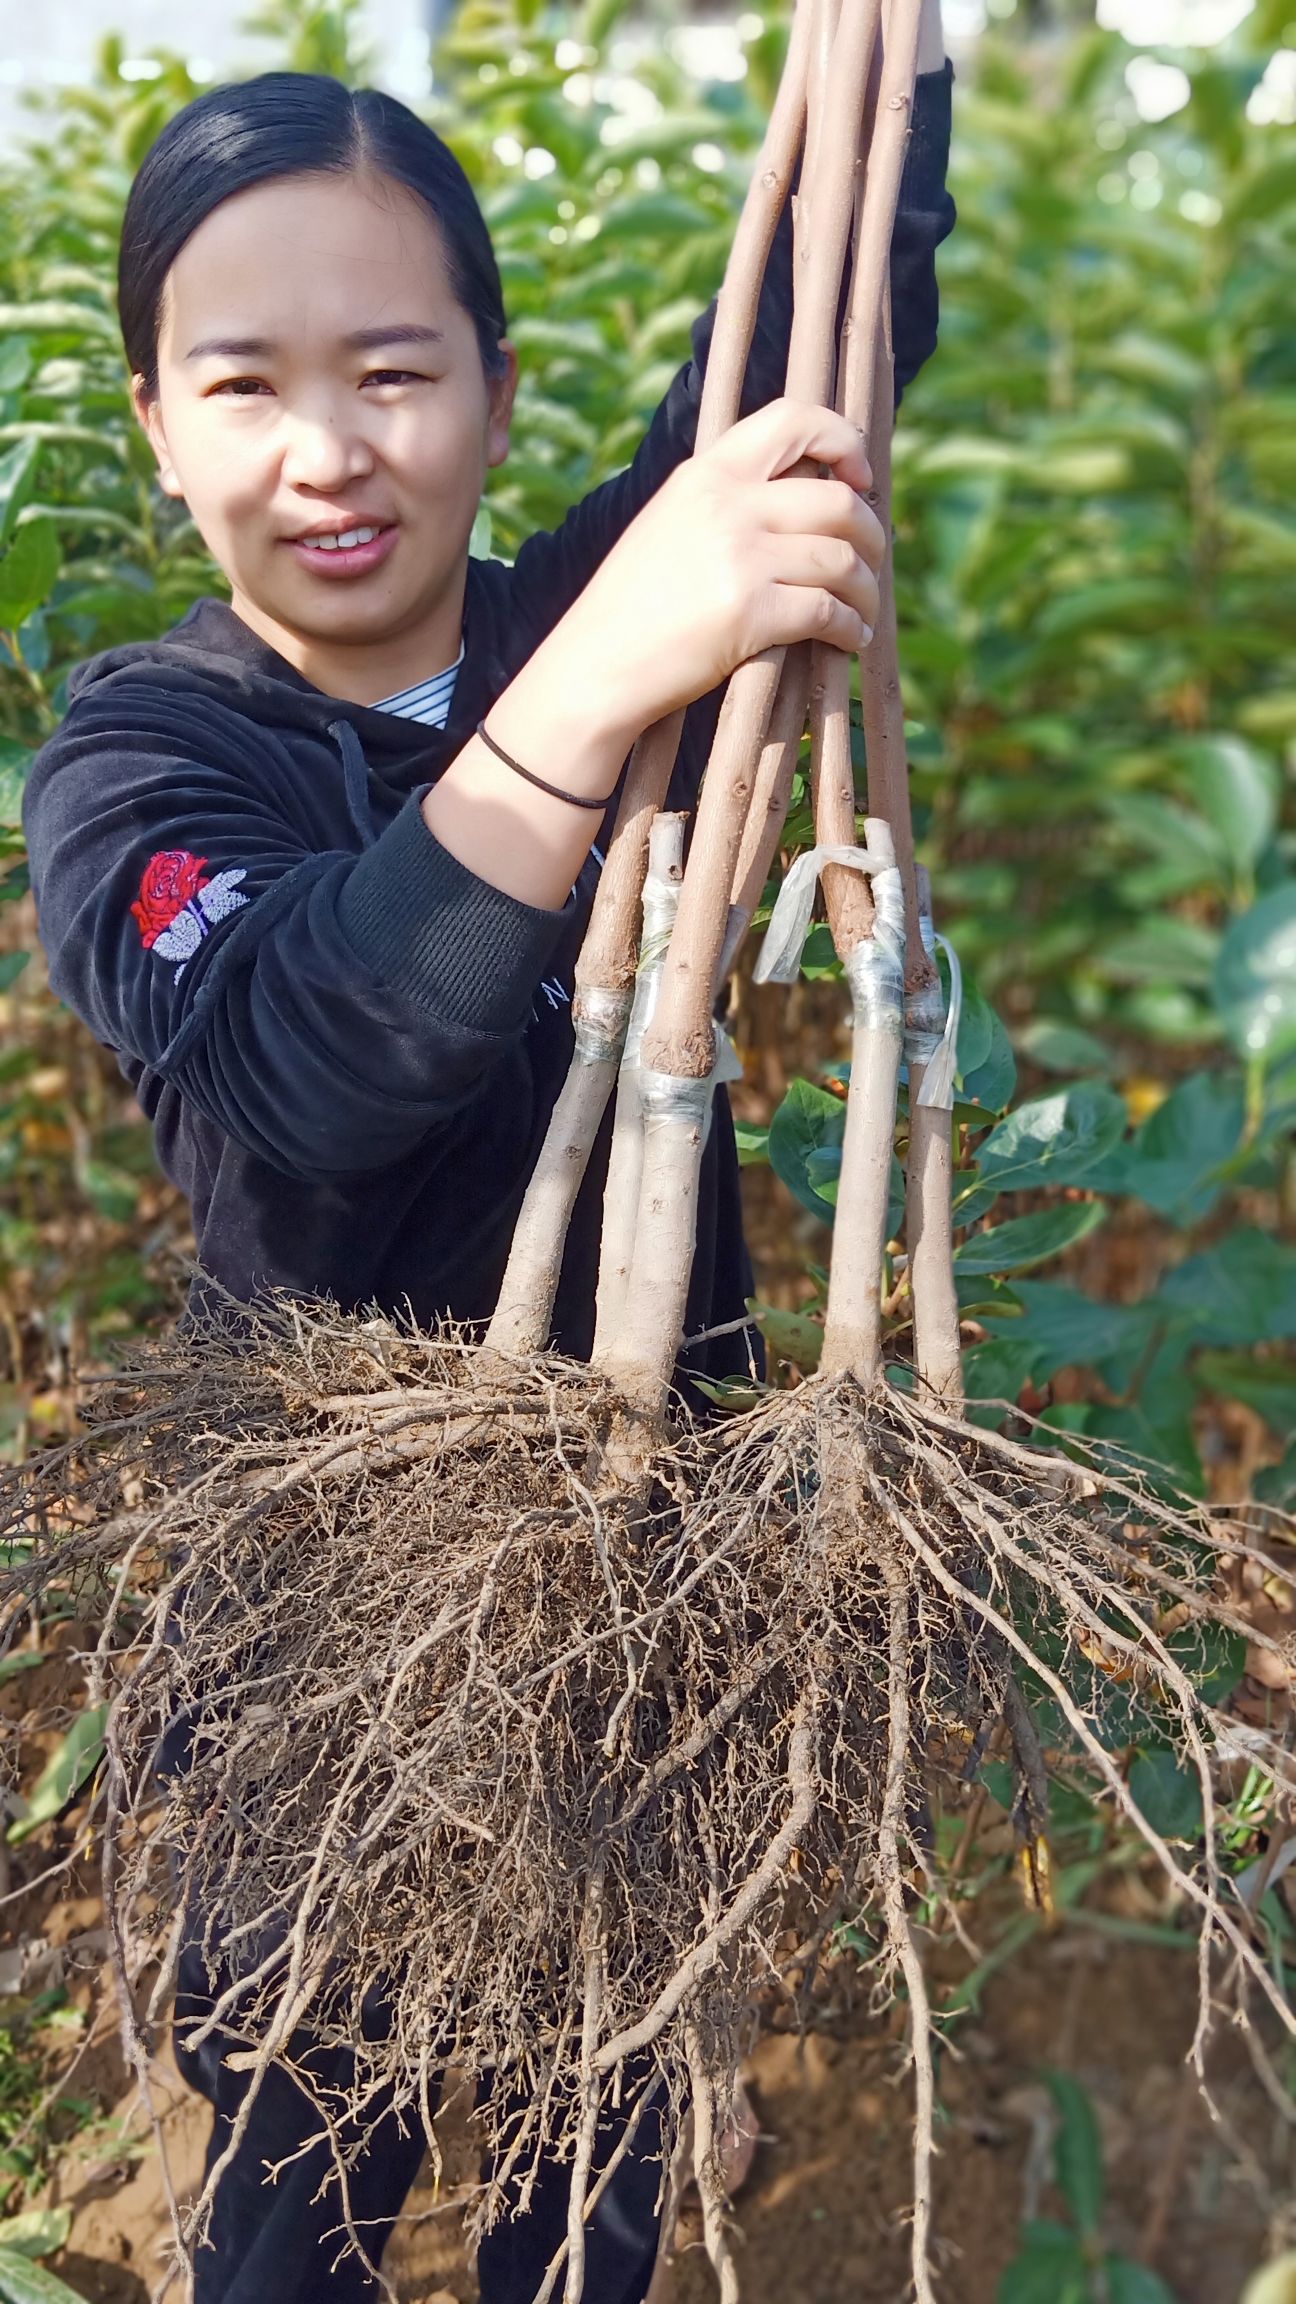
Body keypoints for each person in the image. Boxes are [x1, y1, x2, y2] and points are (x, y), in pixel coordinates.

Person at [22, 20, 955, 2301]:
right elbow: (315, 1053)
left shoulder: (591, 616)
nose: (330, 454)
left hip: (646, 1606)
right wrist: (590, 693)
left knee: (595, 2180)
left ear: (502, 395)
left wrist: (893, 58)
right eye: (242, 384)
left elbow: (834, 306)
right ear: (158, 428)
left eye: (397, 371)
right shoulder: (141, 766)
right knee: (308, 2178)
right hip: (330, 1653)